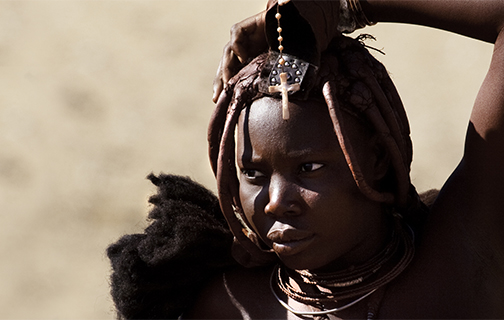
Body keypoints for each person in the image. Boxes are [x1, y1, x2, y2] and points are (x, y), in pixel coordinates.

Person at [108, 0, 504, 318]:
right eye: (253, 173)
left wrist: (346, 4)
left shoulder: (457, 263)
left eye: (308, 168)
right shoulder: (232, 305)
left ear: (378, 160)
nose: (276, 200)